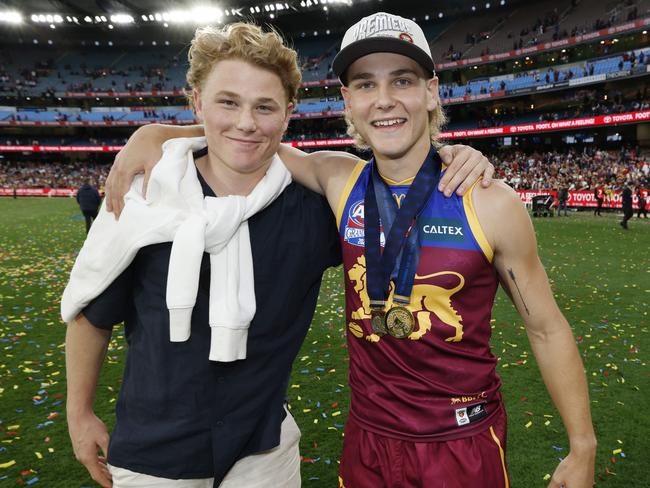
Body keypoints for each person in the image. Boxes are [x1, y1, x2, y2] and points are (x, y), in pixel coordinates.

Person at [107, 12, 596, 488]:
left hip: (460, 438)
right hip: (368, 439)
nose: (383, 100)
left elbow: (546, 327)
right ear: (348, 100)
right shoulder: (339, 180)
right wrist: (157, 133)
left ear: (430, 92)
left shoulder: (490, 201)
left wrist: (582, 447)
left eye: (402, 81)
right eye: (365, 84)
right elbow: (251, 135)